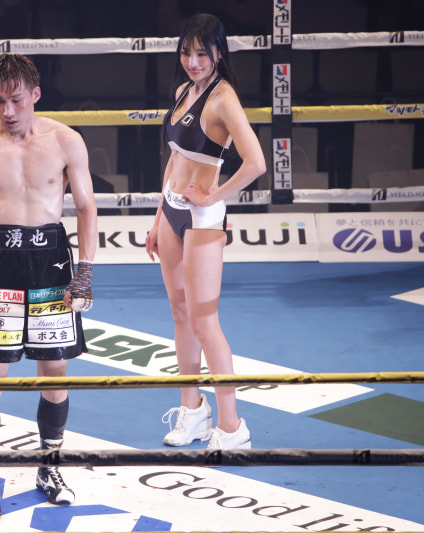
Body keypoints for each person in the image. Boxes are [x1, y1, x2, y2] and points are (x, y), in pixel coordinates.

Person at [0, 54, 97, 522]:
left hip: (51, 260)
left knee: (54, 370)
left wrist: (85, 272)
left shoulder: (65, 140)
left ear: (35, 94)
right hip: (0, 261)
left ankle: (50, 467)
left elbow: (86, 207)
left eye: (16, 100)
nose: (8, 111)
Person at [145, 13, 266, 451]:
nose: (193, 61)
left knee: (204, 320)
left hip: (202, 219)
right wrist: (158, 216)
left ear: (218, 52)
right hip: (173, 211)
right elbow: (176, 158)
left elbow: (256, 163)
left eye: (201, 53)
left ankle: (232, 428)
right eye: (186, 52)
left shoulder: (223, 98)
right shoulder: (184, 90)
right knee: (180, 314)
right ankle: (193, 411)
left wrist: (213, 196)